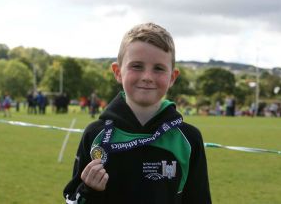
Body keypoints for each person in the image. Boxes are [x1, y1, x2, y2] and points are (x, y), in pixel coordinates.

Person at [63, 22, 212, 204]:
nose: (147, 77)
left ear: (172, 77)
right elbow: (73, 200)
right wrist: (89, 191)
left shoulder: (189, 139)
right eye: (137, 66)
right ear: (118, 72)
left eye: (158, 68)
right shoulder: (96, 135)